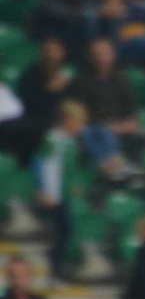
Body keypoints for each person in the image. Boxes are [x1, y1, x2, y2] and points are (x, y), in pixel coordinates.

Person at [69, 37, 145, 168]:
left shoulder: (121, 79)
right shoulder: (82, 82)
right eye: (97, 54)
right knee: (102, 133)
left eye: (105, 54)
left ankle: (137, 170)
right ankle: (116, 169)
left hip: (122, 128)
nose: (101, 59)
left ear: (112, 55)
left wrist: (129, 124)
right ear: (90, 57)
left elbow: (131, 109)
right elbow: (80, 115)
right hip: (98, 130)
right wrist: (109, 126)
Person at [31, 102, 89, 281]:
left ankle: (58, 266)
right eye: (78, 122)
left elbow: (69, 169)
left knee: (66, 231)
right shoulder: (53, 139)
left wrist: (75, 186)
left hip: (64, 195)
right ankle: (54, 269)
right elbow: (38, 162)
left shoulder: (71, 142)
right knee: (63, 230)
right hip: (52, 194)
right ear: (67, 120)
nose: (81, 127)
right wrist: (42, 189)